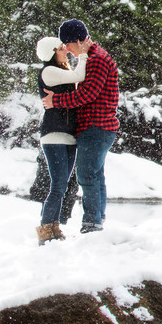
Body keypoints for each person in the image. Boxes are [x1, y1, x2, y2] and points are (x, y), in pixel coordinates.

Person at [41, 19, 119, 233]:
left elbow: (87, 94)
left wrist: (55, 101)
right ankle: (97, 219)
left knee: (86, 175)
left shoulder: (97, 60)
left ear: (76, 40)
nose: (66, 50)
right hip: (96, 126)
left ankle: (92, 223)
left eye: (67, 45)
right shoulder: (94, 58)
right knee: (95, 174)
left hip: (96, 126)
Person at [35, 35, 87, 245]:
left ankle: (54, 226)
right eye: (60, 48)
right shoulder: (48, 71)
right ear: (51, 52)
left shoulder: (61, 70)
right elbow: (80, 75)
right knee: (57, 185)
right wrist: (83, 55)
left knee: (62, 185)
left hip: (68, 135)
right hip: (54, 134)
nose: (64, 50)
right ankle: (46, 227)